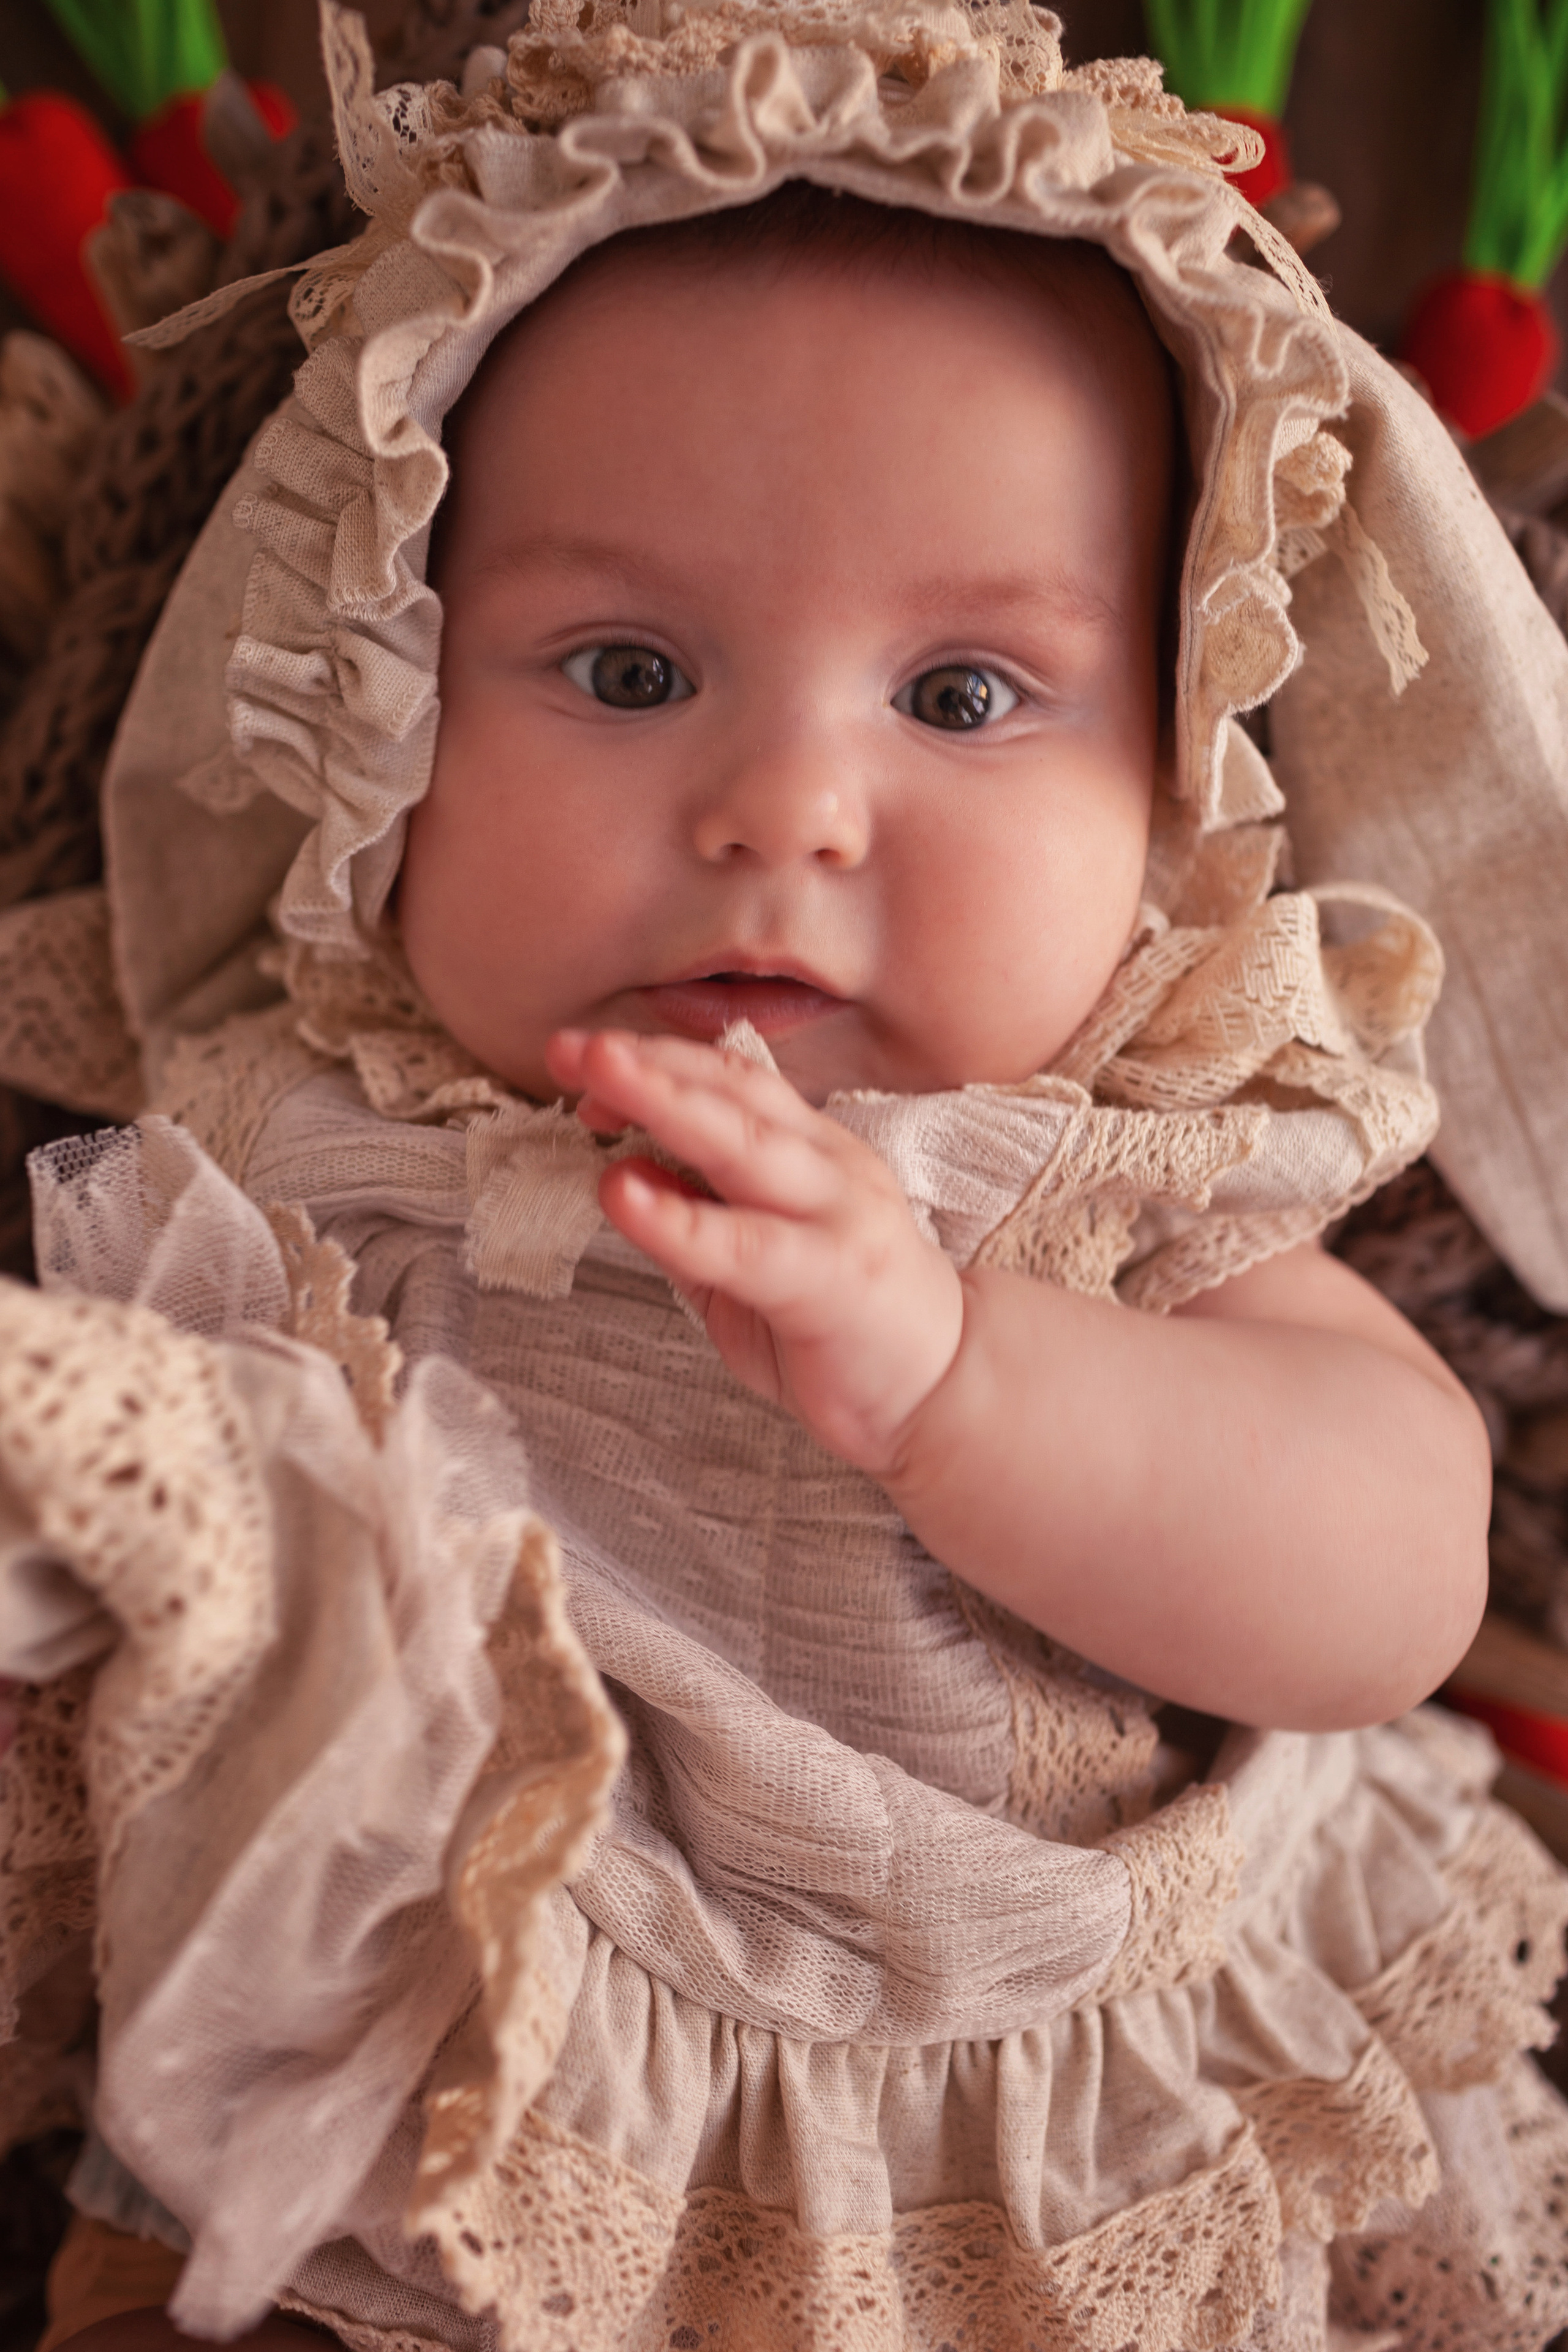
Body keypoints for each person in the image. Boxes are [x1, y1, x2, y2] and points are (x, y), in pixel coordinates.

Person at [4, 5, 1568, 2348]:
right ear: (382, 710)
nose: (782, 809)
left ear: (1173, 784)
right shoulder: (296, 1137)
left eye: (958, 698)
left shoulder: (1113, 1162)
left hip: (1012, 2161)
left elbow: (1393, 1579)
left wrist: (960, 1377)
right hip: (430, 2137)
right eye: (626, 670)